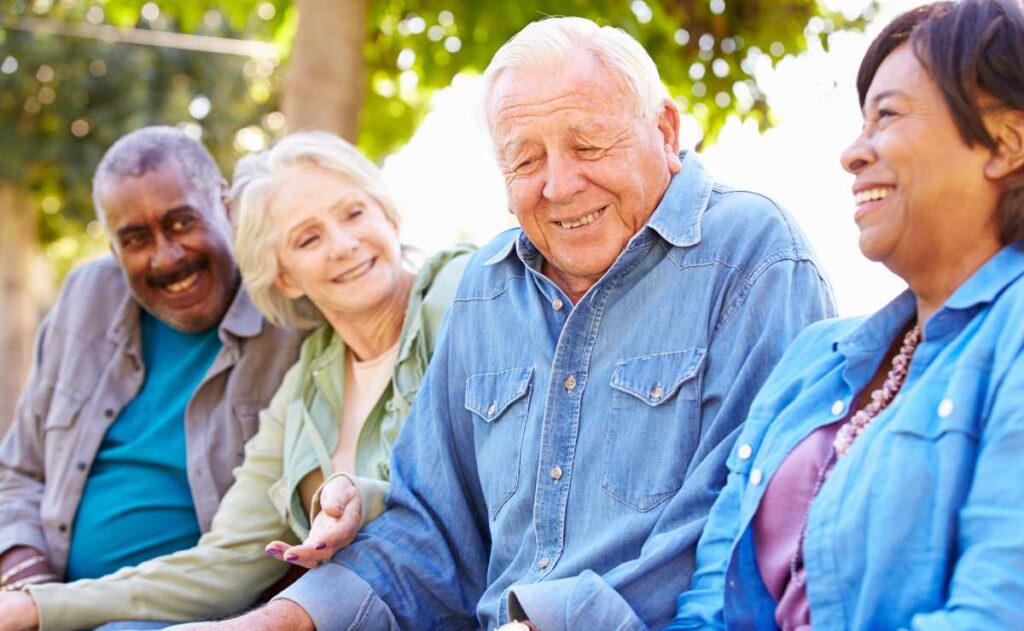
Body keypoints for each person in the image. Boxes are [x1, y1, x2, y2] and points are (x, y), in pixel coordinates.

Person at [195, 16, 835, 631]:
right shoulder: (487, 288)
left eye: (588, 145)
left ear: (665, 129)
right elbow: (430, 536)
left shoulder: (752, 252)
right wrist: (276, 621)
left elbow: (742, 516)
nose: (559, 185)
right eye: (525, 161)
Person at [0, 132, 475, 630]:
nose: (343, 245)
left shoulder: (458, 295)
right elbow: (228, 559)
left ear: (388, 213)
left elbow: (467, 497)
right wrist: (34, 603)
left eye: (354, 213)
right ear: (284, 276)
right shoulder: (308, 383)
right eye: (307, 238)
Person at [670, 1, 1024, 629]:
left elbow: (997, 611)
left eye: (886, 115)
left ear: (1007, 142)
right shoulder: (815, 359)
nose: (853, 154)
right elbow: (708, 605)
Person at [0, 127, 302, 619]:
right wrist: (27, 584)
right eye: (136, 239)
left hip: (199, 615)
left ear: (224, 204)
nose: (166, 257)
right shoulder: (85, 299)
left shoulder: (291, 314)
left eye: (182, 223)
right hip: (46, 603)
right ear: (116, 250)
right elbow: (18, 471)